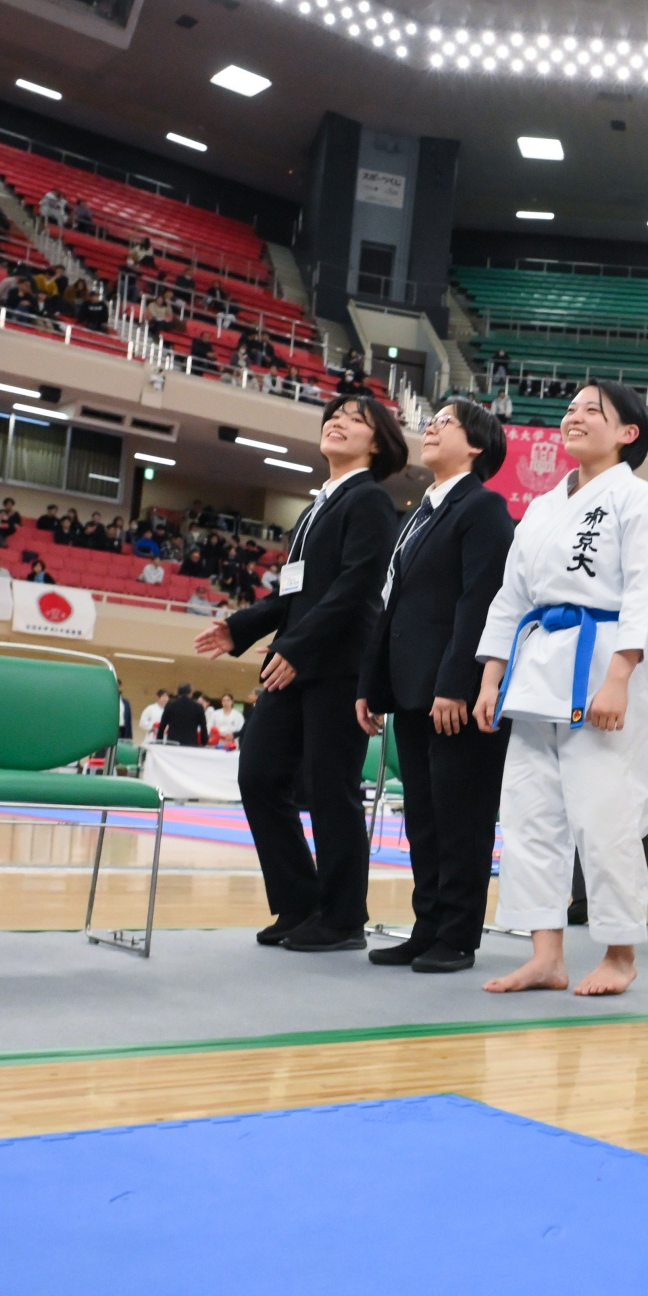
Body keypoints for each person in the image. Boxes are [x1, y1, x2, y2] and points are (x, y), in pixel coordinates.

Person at [473, 380, 648, 996]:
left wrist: (619, 677)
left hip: (607, 664)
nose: (574, 417)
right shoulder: (543, 507)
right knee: (529, 815)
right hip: (539, 667)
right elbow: (511, 596)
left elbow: (646, 597)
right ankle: (546, 955)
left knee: (606, 816)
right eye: (570, 409)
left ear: (628, 433)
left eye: (592, 410)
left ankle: (620, 954)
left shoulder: (646, 504)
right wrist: (492, 674)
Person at [196, 394, 406, 951]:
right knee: (260, 775)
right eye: (334, 415)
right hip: (294, 659)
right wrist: (239, 628)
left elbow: (358, 587)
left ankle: (342, 918)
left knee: (331, 788)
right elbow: (295, 591)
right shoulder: (317, 507)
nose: (337, 421)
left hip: (336, 666)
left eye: (355, 419)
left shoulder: (370, 500)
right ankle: (298, 902)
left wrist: (297, 646)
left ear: (378, 443)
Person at [358, 398, 516, 975]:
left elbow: (481, 602)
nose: (431, 426)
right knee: (423, 817)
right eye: (432, 420)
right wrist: (371, 685)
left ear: (475, 445)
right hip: (411, 690)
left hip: (454, 693)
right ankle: (427, 925)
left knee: (461, 817)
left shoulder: (484, 508)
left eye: (445, 422)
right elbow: (391, 605)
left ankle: (457, 934)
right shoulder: (419, 514)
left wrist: (457, 683)